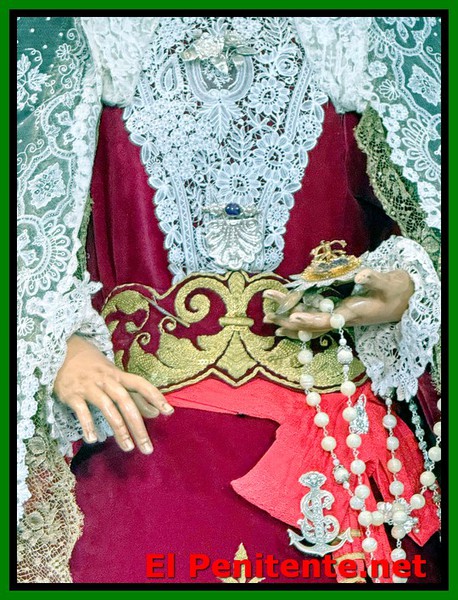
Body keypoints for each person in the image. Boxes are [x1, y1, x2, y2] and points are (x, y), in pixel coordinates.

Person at [17, 15, 442, 584]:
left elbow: (429, 230)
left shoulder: (351, 37)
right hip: (138, 436)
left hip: (333, 443)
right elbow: (34, 242)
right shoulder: (97, 37)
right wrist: (59, 342)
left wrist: (408, 287)